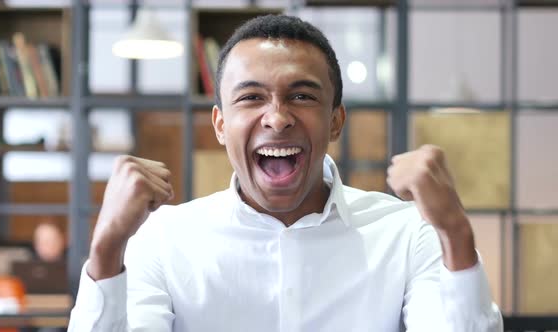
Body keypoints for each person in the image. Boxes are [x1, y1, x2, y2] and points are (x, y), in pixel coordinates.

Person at [68, 14, 502, 331]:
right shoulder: (163, 239)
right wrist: (107, 246)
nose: (277, 118)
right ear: (220, 125)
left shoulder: (407, 233)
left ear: (336, 121)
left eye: (301, 96)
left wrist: (456, 235)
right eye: (252, 98)